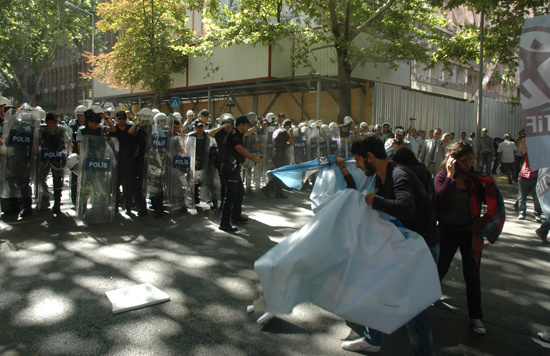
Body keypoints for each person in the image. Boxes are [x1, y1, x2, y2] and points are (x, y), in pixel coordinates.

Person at [339, 133, 439, 356]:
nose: (357, 165)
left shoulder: (399, 175)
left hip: (420, 250)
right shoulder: (382, 177)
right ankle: (372, 340)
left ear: (370, 157)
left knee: (415, 315)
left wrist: (374, 200)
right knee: (377, 290)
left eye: (358, 159)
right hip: (403, 246)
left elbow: (407, 208)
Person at [434, 142, 503, 335]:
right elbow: (439, 198)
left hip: (469, 232)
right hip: (447, 231)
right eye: (463, 160)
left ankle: (476, 317)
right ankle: (424, 300)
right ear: (452, 160)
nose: (467, 164)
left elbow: (491, 203)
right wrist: (449, 175)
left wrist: (483, 227)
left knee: (472, 274)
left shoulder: (477, 179)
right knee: (439, 268)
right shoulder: (441, 177)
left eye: (470, 159)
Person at [219, 115, 262, 232]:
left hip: (234, 167)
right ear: (241, 125)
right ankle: (224, 222)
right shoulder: (233, 134)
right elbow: (238, 148)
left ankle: (236, 216)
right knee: (231, 194)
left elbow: (247, 133)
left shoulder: (238, 133)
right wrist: (253, 158)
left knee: (239, 191)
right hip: (229, 167)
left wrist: (257, 126)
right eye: (247, 125)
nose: (248, 127)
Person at [38, 112, 71, 214]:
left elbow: (68, 142)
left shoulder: (61, 130)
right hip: (45, 158)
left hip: (58, 158)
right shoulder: (42, 131)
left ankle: (57, 203)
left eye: (55, 122)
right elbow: (37, 143)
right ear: (47, 122)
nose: (53, 125)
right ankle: (44, 200)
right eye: (51, 122)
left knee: (57, 181)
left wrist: (66, 153)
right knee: (41, 180)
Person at [109, 110, 138, 215]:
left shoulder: (130, 129)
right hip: (117, 160)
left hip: (129, 160)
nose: (122, 120)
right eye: (119, 118)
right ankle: (115, 207)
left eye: (123, 118)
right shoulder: (113, 129)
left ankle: (128, 206)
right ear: (116, 119)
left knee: (129, 186)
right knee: (116, 185)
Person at [260, 119, 294, 199]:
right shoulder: (284, 132)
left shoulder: (277, 131)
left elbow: (280, 142)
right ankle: (267, 188)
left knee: (281, 173)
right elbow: (292, 142)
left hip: (275, 153)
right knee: (281, 174)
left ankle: (279, 192)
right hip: (279, 154)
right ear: (288, 126)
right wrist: (291, 133)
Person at [516, 137, 542, 221]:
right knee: (522, 197)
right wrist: (523, 138)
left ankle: (537, 214)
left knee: (537, 197)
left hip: (536, 178)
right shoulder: (527, 154)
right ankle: (521, 213)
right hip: (525, 177)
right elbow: (522, 147)